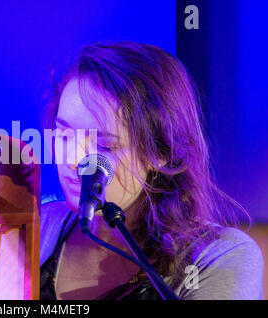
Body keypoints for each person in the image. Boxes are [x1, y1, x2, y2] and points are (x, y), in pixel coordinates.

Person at [40, 41, 264, 300]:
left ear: (160, 153)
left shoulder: (220, 257)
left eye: (105, 145)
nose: (72, 160)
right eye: (64, 135)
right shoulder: (36, 225)